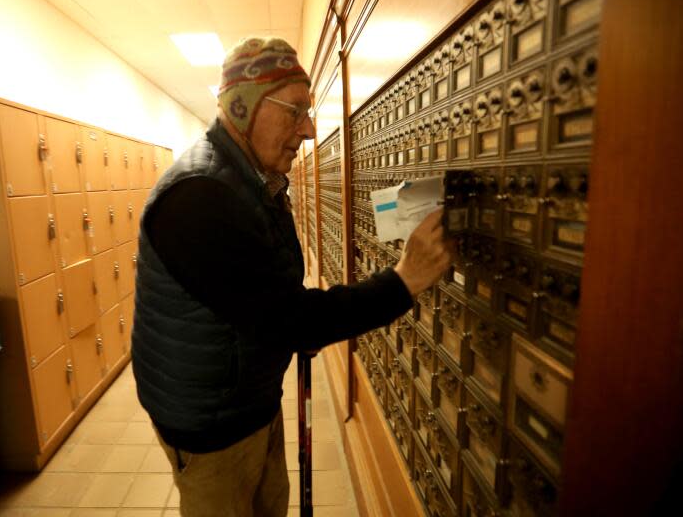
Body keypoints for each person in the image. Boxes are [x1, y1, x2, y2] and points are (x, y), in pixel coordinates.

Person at [131, 37, 452, 517]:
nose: (308, 130)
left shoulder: (251, 179)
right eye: (295, 111)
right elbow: (286, 318)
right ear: (243, 109)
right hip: (210, 423)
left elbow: (273, 295)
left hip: (246, 397)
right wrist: (403, 280)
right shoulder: (198, 198)